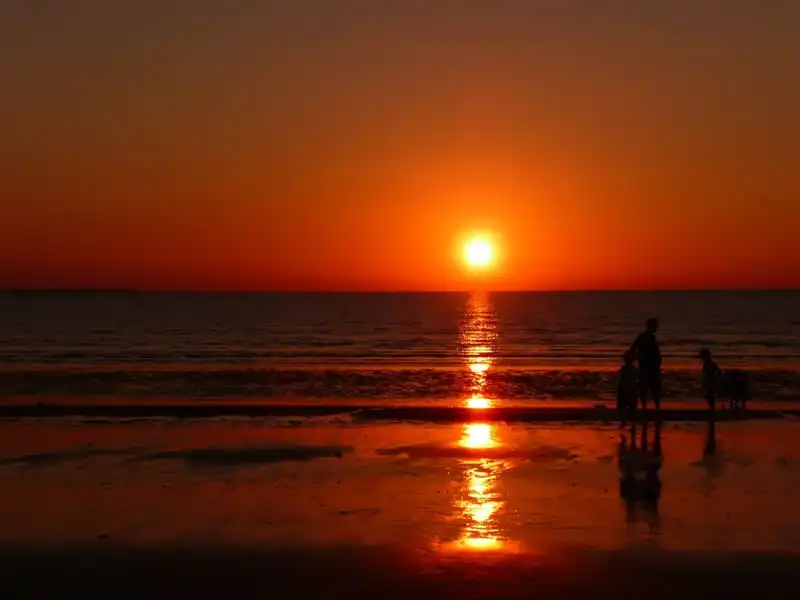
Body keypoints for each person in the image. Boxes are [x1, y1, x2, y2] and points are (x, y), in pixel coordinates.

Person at [630, 318, 662, 414]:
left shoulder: (650, 338)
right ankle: (649, 410)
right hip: (647, 367)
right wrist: (636, 359)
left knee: (653, 389)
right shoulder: (644, 338)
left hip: (651, 367)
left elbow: (633, 349)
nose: (656, 328)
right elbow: (633, 349)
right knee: (647, 389)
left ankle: (654, 410)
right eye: (655, 326)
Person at [616, 350, 638, 426]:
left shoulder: (625, 369)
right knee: (631, 408)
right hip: (631, 389)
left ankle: (624, 422)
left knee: (622, 407)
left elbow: (621, 380)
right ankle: (630, 423)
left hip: (625, 389)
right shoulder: (634, 369)